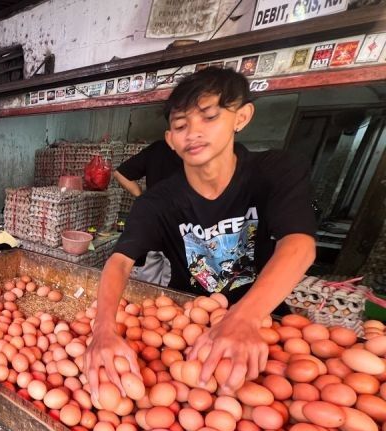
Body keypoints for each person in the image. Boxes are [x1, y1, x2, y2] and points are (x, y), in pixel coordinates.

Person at [85, 67, 316, 398]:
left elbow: (300, 245)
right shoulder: (159, 202)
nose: (193, 132)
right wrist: (103, 329)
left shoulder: (276, 172)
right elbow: (120, 261)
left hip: (261, 318)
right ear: (170, 141)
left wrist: (244, 318)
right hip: (188, 324)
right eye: (181, 125)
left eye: (209, 117)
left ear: (242, 116)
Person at [112, 140, 182, 286]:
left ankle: (151, 304)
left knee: (150, 273)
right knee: (174, 278)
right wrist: (144, 199)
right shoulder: (199, 152)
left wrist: (143, 198)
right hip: (180, 223)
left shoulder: (158, 148)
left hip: (154, 221)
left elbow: (120, 174)